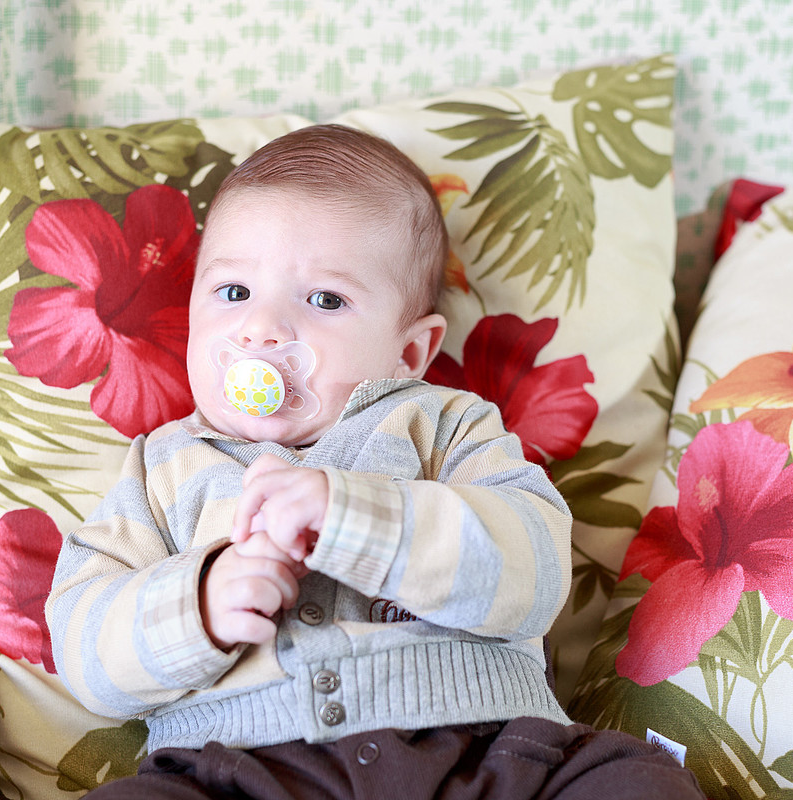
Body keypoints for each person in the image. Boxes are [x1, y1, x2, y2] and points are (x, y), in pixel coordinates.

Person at [46, 124, 704, 800]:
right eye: (234, 292)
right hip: (240, 770)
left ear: (411, 354)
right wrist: (199, 604)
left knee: (637, 783)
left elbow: (532, 570)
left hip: (480, 750)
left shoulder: (443, 426)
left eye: (325, 300)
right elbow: (84, 648)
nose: (262, 327)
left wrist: (359, 519)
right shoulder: (162, 470)